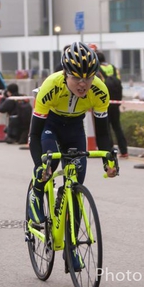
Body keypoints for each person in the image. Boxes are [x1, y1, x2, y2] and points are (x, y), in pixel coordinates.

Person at [27, 41, 118, 269]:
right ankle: (36, 193)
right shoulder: (51, 85)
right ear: (65, 74)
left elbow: (103, 133)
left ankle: (71, 247)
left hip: (75, 128)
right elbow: (34, 134)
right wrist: (40, 165)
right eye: (77, 78)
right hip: (50, 125)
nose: (83, 84)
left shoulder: (100, 90)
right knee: (48, 163)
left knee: (75, 188)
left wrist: (108, 160)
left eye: (88, 77)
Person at [96, 51, 128, 158]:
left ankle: (109, 152)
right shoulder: (114, 68)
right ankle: (124, 151)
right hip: (116, 102)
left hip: (104, 103)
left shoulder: (97, 70)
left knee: (106, 128)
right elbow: (119, 82)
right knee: (117, 126)